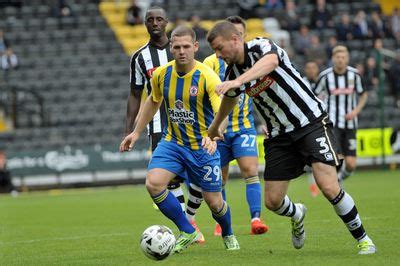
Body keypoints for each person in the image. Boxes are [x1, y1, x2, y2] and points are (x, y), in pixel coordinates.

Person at [206, 21, 376, 254]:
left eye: (219, 48)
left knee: (328, 185)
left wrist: (239, 81)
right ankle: (297, 214)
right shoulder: (232, 72)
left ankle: (363, 239)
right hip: (278, 136)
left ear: (235, 40)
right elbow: (230, 99)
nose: (218, 54)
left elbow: (271, 62)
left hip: (310, 122)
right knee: (273, 202)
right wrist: (214, 128)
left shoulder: (261, 46)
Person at [120, 25, 240, 252]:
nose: (182, 51)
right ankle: (188, 230)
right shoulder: (161, 74)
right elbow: (153, 100)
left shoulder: (207, 76)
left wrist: (213, 135)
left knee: (215, 203)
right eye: (176, 47)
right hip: (172, 143)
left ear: (195, 47)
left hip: (202, 147)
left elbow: (222, 111)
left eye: (186, 46)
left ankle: (228, 233)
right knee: (153, 184)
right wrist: (136, 132)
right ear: (171, 48)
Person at [186, 15, 268, 236]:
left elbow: (259, 92)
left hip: (244, 127)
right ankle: (221, 220)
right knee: (218, 179)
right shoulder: (210, 64)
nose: (239, 37)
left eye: (242, 34)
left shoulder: (252, 61)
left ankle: (256, 219)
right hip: (218, 131)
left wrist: (264, 121)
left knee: (250, 171)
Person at [124, 6, 190, 232]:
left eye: (159, 19)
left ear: (167, 22)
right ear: (144, 23)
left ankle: (200, 221)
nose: (154, 23)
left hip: (190, 120)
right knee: (169, 180)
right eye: (150, 19)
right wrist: (130, 130)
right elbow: (135, 94)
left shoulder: (182, 50)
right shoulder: (140, 57)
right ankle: (188, 228)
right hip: (159, 124)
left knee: (199, 179)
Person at [314, 46, 369, 184]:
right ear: (333, 59)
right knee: (337, 158)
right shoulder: (325, 76)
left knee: (350, 164)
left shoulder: (355, 75)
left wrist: (355, 111)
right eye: (337, 57)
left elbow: (364, 95)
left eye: (343, 57)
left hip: (351, 124)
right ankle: (337, 186)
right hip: (332, 123)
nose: (340, 60)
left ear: (347, 59)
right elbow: (313, 96)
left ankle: (340, 178)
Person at [303, 61, 321, 197]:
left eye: (313, 67)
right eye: (308, 67)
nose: (311, 70)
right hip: (307, 125)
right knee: (311, 159)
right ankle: (313, 186)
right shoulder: (301, 82)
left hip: (322, 122)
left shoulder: (324, 82)